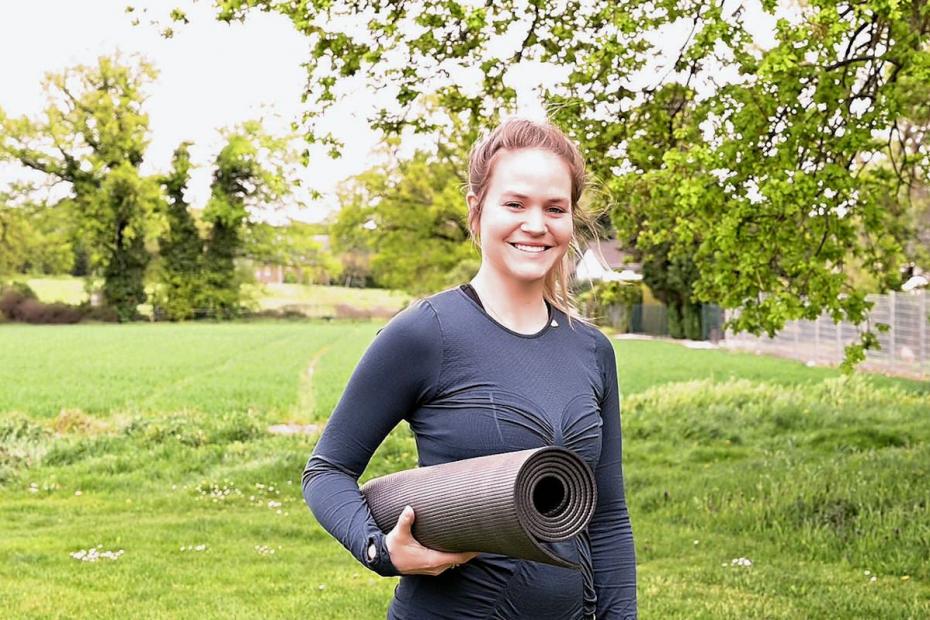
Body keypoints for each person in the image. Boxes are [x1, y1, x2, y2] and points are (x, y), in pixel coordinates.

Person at [302, 118, 637, 619]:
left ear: (571, 221)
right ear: (477, 211)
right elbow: (327, 471)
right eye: (515, 204)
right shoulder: (426, 332)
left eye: (555, 208)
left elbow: (607, 517)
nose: (536, 224)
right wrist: (380, 550)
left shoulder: (591, 349)